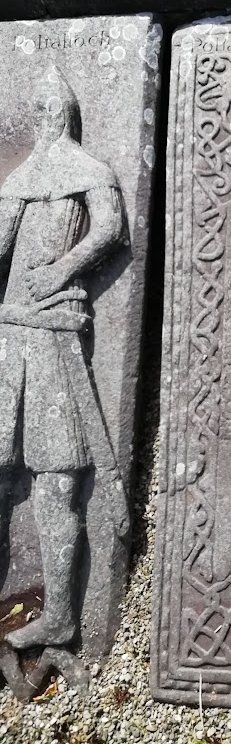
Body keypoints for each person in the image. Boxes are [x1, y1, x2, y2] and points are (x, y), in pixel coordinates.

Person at [0, 66, 129, 651]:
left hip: (54, 335)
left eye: (55, 109)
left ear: (68, 115)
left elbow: (108, 230)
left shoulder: (92, 170)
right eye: (41, 110)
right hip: (10, 334)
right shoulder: (22, 179)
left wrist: (62, 268)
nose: (48, 117)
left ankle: (60, 615)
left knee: (57, 479)